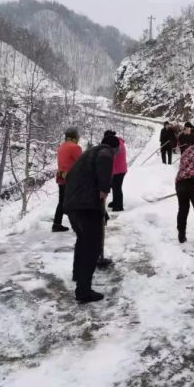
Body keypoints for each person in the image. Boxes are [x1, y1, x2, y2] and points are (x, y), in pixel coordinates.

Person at [63, 134, 120, 303]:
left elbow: (77, 177)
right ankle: (83, 291)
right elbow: (104, 164)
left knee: (82, 241)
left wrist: (102, 210)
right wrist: (105, 187)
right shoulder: (105, 152)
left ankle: (77, 275)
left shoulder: (88, 154)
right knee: (92, 248)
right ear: (114, 148)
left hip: (74, 205)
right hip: (86, 207)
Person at [53, 127, 83, 232]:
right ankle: (78, 226)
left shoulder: (61, 147)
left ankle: (56, 224)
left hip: (61, 178)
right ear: (74, 137)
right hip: (72, 179)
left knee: (62, 202)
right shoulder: (75, 147)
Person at [107, 130, 128, 212]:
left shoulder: (117, 144)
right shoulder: (118, 141)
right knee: (115, 187)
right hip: (118, 169)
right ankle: (115, 202)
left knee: (117, 187)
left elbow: (112, 156)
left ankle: (119, 206)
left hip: (119, 170)